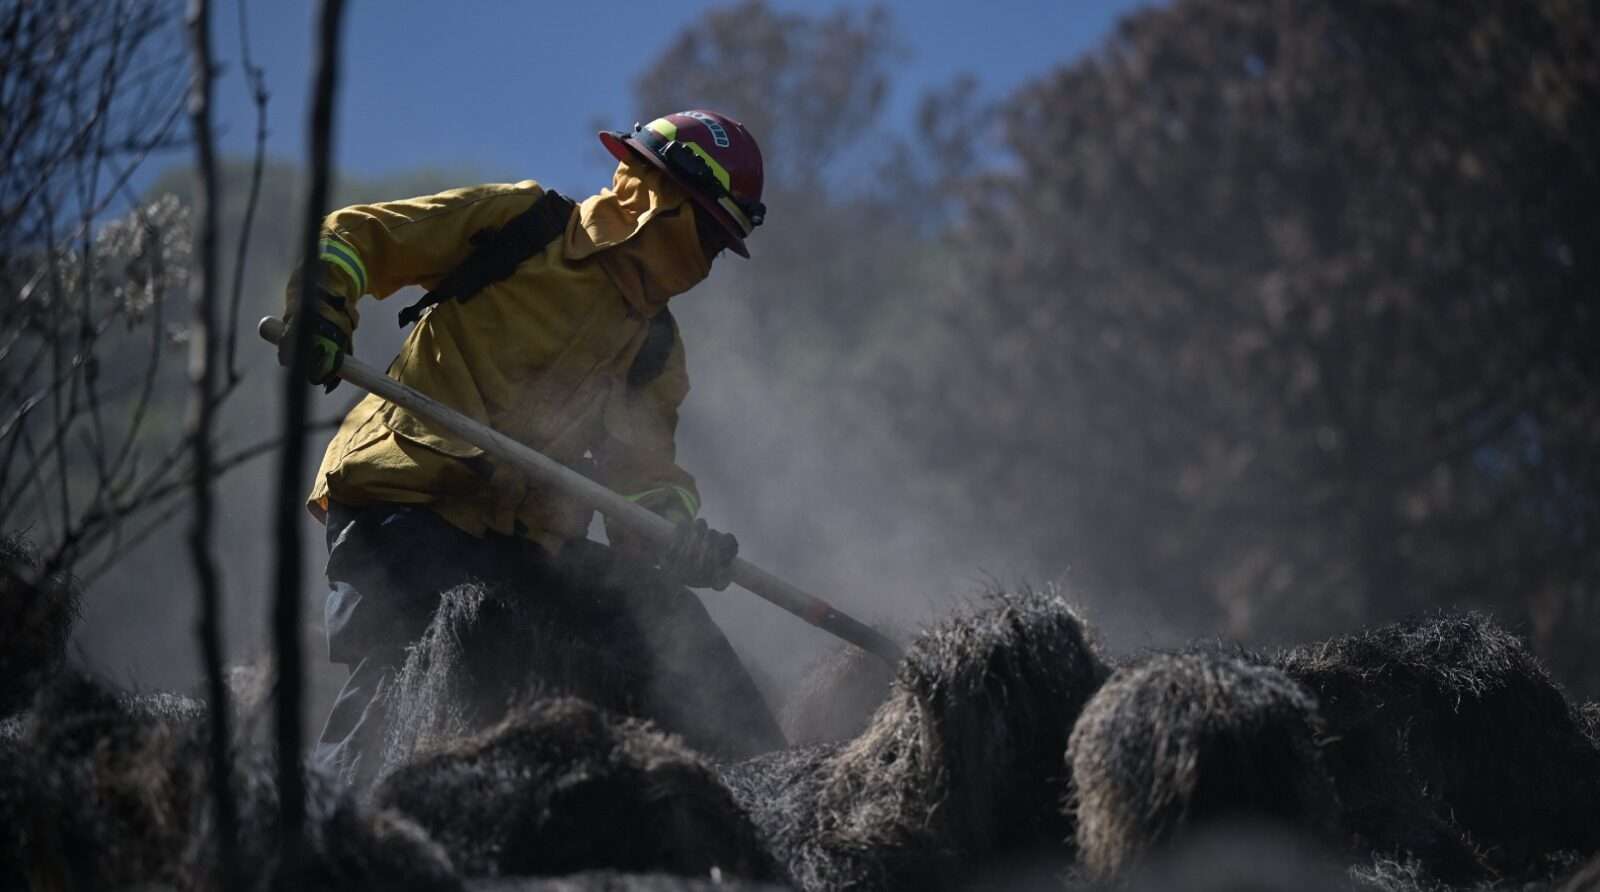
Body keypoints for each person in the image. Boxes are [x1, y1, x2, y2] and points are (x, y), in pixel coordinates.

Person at [279, 110, 783, 786]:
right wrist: (322, 306)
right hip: (407, 506)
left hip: (522, 547)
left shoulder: (656, 349)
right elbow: (356, 236)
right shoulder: (523, 226)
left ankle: (769, 793)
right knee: (428, 659)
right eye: (711, 239)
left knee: (666, 628)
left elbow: (642, 481)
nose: (710, 263)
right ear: (662, 205)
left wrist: (673, 534)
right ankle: (324, 834)